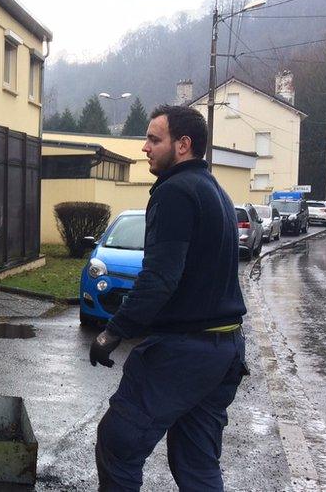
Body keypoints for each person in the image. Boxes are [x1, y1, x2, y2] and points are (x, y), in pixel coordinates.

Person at [89, 105, 249, 491]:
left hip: (184, 350)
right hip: (225, 349)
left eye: (153, 139)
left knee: (118, 444)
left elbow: (160, 278)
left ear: (183, 145)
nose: (144, 147)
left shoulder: (175, 192)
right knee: (196, 463)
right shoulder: (215, 192)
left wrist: (113, 332)